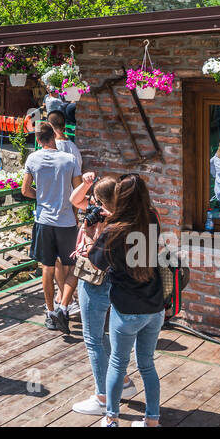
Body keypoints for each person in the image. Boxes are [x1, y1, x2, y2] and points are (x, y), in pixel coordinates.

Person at [92, 174, 166, 426]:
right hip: (155, 307)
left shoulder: (115, 230)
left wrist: (97, 228)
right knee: (147, 365)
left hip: (126, 310)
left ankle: (111, 419)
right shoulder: (153, 219)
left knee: (117, 363)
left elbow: (96, 262)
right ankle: (152, 420)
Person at [68, 173, 138, 416]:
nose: (92, 204)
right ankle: (125, 383)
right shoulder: (125, 215)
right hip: (114, 282)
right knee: (103, 335)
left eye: (96, 199)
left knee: (93, 339)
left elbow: (95, 257)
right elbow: (74, 199)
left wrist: (88, 234)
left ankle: (103, 396)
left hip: (95, 280)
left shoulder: (110, 222)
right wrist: (86, 185)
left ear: (105, 200)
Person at [21, 122, 83, 330]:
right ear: (55, 137)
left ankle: (50, 312)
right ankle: (63, 306)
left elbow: (25, 190)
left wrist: (40, 198)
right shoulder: (70, 160)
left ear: (38, 140)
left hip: (43, 220)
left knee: (47, 267)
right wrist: (74, 215)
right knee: (73, 266)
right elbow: (77, 194)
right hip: (66, 221)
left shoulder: (33, 158)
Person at [46, 110, 83, 317]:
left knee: (58, 260)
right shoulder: (74, 148)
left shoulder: (54, 149)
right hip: (72, 207)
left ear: (50, 127)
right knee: (69, 258)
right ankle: (68, 298)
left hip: (56, 208)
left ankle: (63, 299)